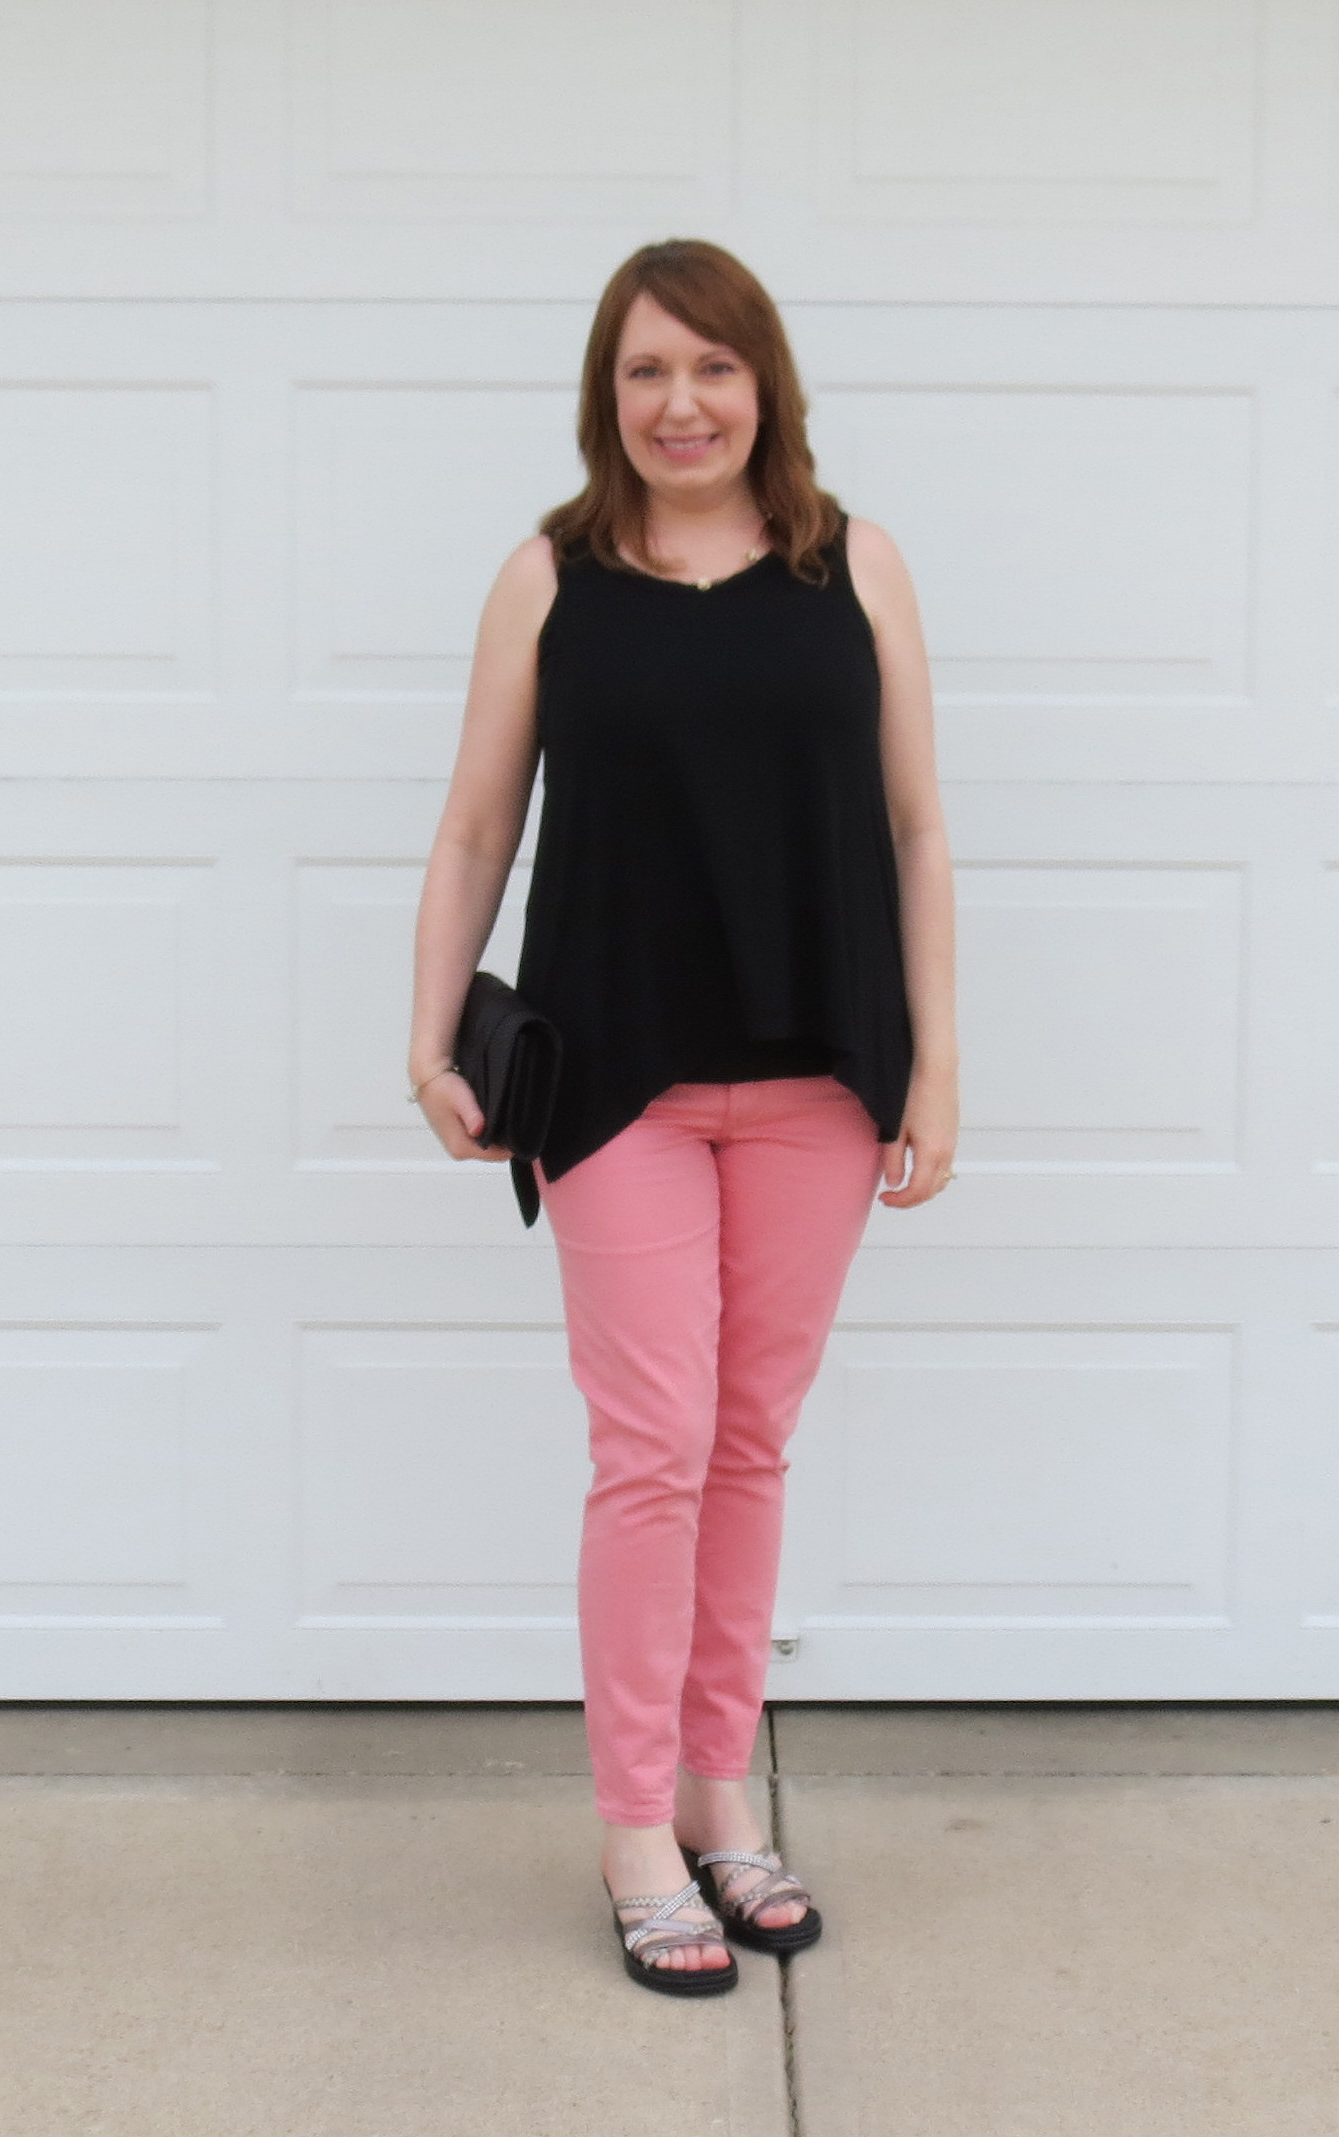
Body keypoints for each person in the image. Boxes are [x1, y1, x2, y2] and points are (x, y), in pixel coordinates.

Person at [408, 238, 958, 1996]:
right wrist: (431, 1038)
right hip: (620, 1074)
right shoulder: (550, 576)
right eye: (646, 372)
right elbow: (477, 829)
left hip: (817, 1073)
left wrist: (938, 1063)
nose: (681, 403)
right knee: (650, 1446)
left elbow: (916, 830)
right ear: (607, 396)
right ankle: (636, 1828)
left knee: (750, 1441)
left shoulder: (853, 564)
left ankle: (727, 1796)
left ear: (765, 385)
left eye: (712, 368)